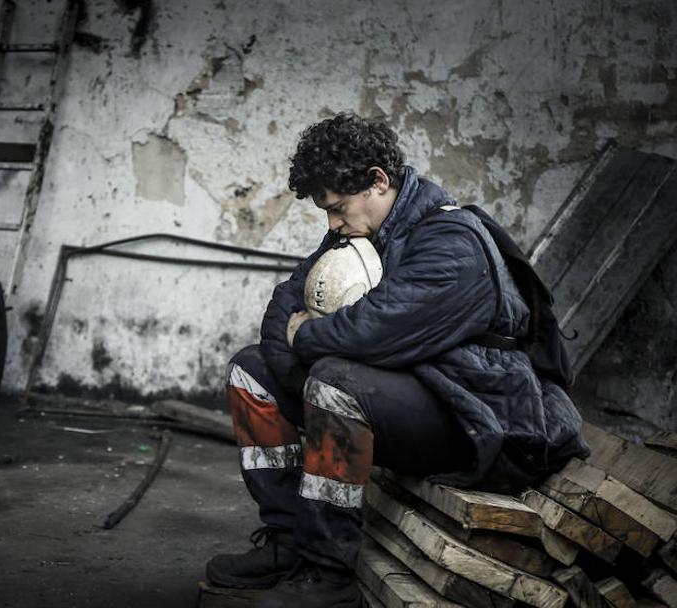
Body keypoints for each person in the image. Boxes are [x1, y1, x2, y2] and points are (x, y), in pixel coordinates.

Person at [205, 113, 589, 608]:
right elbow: (287, 300)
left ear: (378, 181)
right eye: (326, 212)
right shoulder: (361, 231)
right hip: (413, 394)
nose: (332, 223)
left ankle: (329, 576)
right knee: (250, 369)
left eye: (337, 207)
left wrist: (307, 344)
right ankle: (288, 541)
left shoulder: (451, 244)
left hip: (480, 417)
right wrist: (298, 361)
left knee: (335, 380)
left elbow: (374, 333)